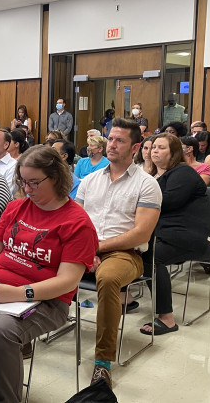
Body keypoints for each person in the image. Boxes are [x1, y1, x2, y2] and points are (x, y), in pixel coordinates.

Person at [0, 145, 97, 402]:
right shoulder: (17, 208)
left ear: (56, 178)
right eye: (23, 182)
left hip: (46, 301)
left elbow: (67, 281)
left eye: (34, 183)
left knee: (2, 332)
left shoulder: (77, 222)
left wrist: (15, 293)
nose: (27, 189)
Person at [75, 118, 161, 388]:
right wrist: (85, 250)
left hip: (126, 254)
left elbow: (141, 235)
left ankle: (102, 363)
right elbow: (75, 222)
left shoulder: (147, 185)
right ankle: (23, 339)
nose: (111, 144)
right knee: (36, 259)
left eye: (119, 140)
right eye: (110, 138)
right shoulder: (89, 180)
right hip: (87, 249)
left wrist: (95, 248)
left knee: (109, 278)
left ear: (135, 147)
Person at [140, 133, 210, 336]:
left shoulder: (182, 172)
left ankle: (166, 319)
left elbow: (168, 202)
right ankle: (126, 299)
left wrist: (134, 201)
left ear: (174, 152)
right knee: (132, 248)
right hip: (171, 233)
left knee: (151, 256)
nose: (154, 151)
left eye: (161, 147)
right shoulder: (154, 176)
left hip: (197, 237)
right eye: (152, 147)